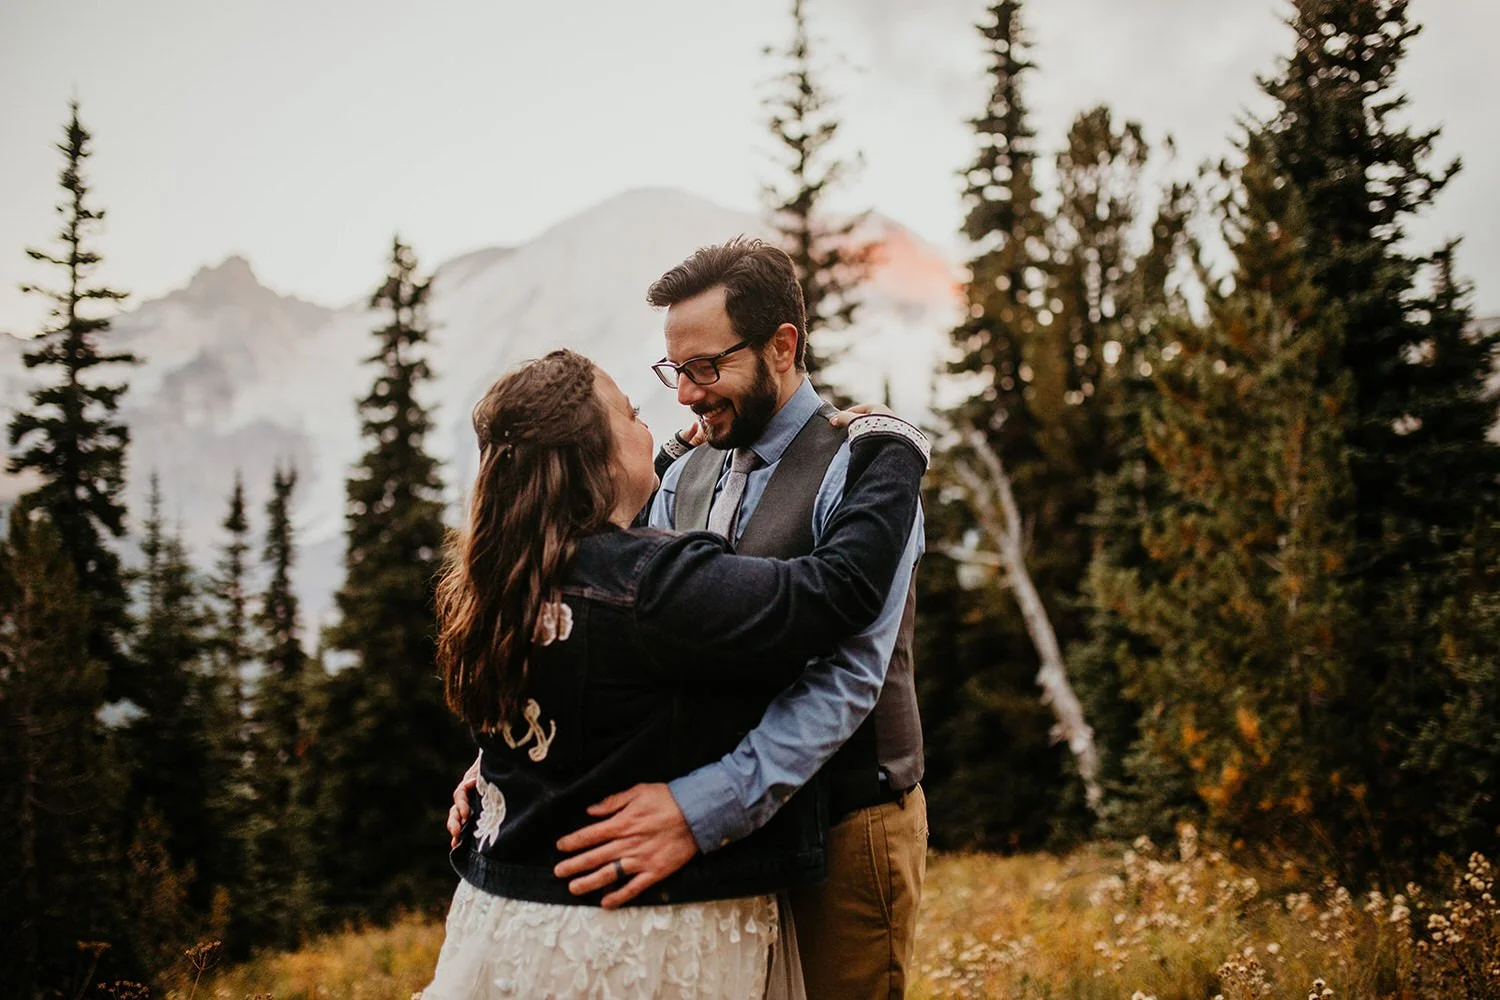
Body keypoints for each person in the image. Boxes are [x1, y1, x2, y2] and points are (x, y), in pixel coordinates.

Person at [451, 238, 930, 997]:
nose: (687, 395)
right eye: (676, 371)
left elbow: (849, 672)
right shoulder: (681, 471)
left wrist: (705, 808)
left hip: (845, 816)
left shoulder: (860, 468)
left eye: (708, 368)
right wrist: (512, 759)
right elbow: (610, 633)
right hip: (722, 849)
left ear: (782, 346)